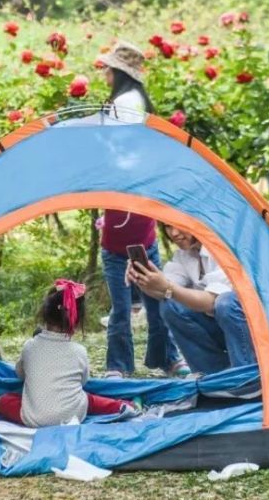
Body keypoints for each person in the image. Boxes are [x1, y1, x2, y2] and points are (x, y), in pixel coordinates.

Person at [95, 42, 187, 379]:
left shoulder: (124, 104)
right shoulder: (136, 103)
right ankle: (164, 359)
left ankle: (127, 365)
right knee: (151, 302)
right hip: (132, 229)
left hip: (125, 230)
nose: (104, 73)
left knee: (128, 307)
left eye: (108, 69)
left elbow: (118, 150)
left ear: (118, 73)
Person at [0, 280, 139, 427]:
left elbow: (20, 374)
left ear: (45, 314)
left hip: (35, 420)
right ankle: (124, 406)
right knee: (90, 400)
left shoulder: (29, 346)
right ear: (77, 322)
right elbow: (83, 382)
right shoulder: (79, 351)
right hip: (73, 415)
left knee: (5, 400)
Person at [128, 225, 256, 375]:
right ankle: (215, 375)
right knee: (171, 304)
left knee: (226, 302)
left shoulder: (225, 249)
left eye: (179, 225)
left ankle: (247, 376)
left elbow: (211, 302)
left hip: (256, 333)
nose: (174, 233)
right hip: (222, 328)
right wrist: (143, 281)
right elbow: (164, 292)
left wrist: (168, 287)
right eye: (168, 226)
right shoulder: (185, 255)